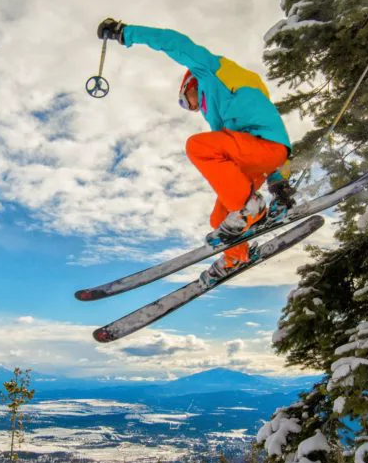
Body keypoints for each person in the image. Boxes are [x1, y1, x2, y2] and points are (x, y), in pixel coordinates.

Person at [97, 18, 295, 285]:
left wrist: (125, 33)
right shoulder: (226, 116)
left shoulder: (209, 71)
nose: (190, 108)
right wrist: (279, 188)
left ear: (190, 84)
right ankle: (236, 257)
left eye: (184, 101)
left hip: (265, 148)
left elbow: (174, 42)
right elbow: (260, 152)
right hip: (261, 157)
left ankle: (250, 207)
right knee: (219, 218)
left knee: (198, 146)